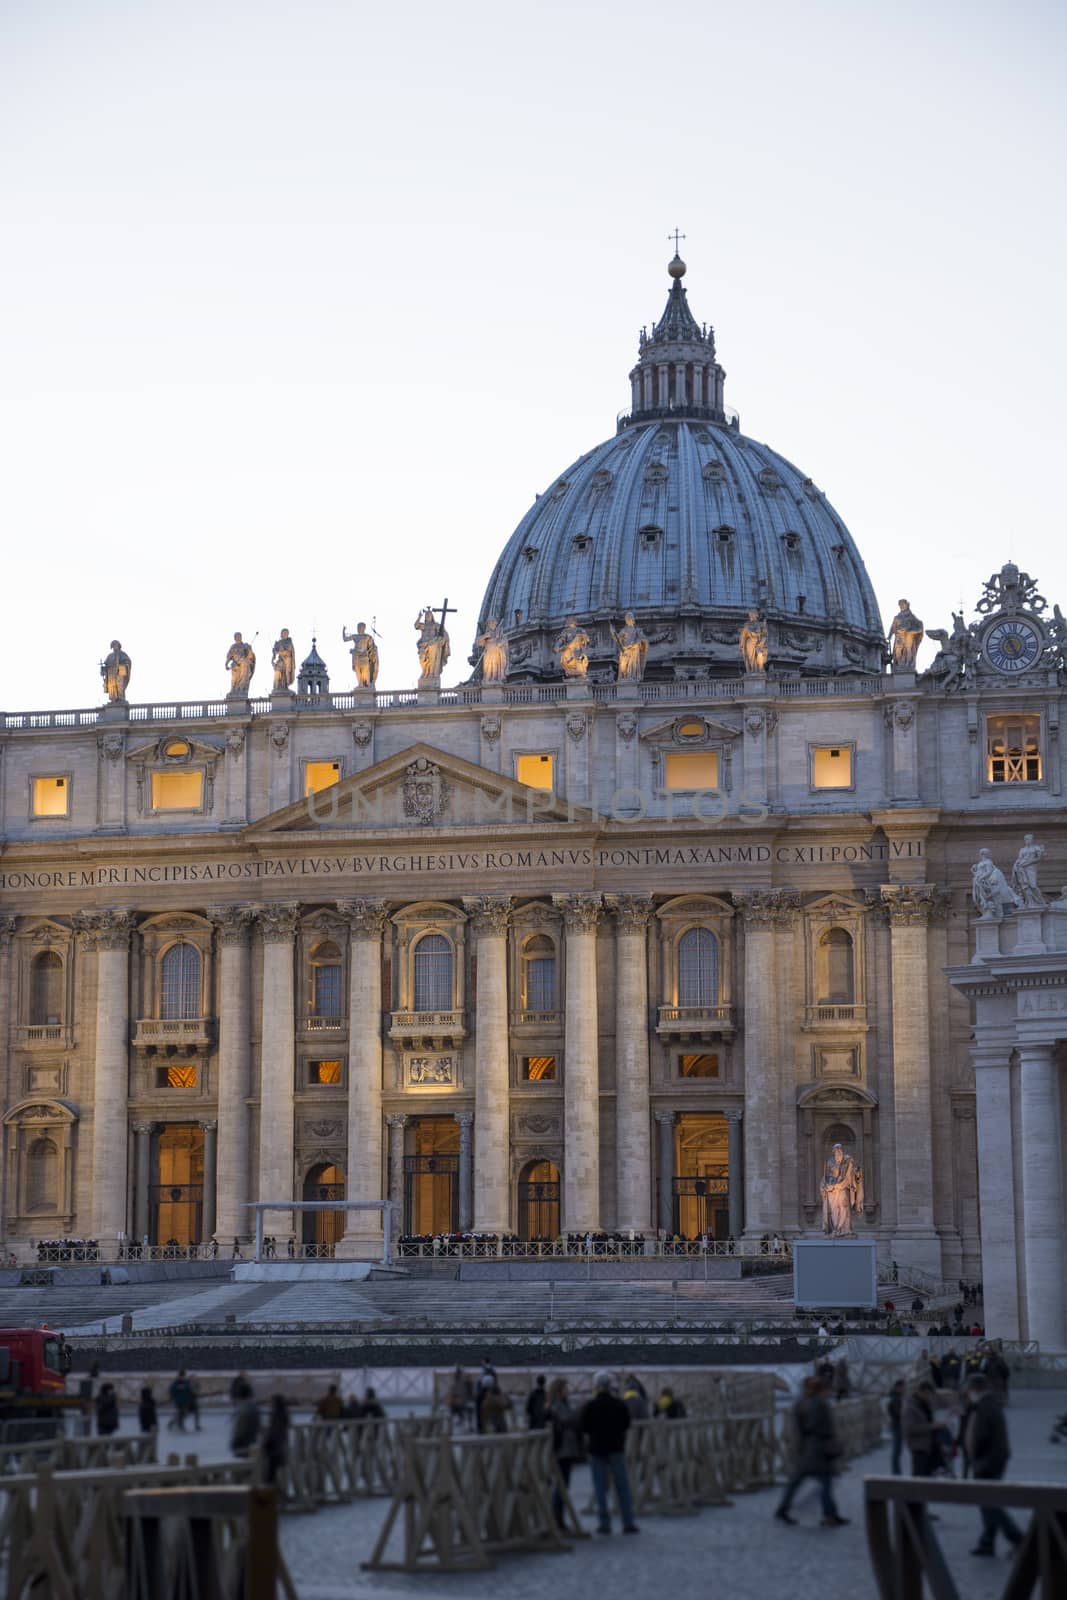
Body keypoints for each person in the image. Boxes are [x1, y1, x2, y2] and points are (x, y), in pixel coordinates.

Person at [774, 1376, 848, 1528]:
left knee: (797, 1482)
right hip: (817, 1450)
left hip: (807, 1450)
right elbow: (818, 1427)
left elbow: (798, 1428)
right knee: (825, 1483)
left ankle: (783, 1508)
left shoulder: (801, 1403)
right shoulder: (818, 1405)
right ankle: (830, 1515)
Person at [966, 1374, 1024, 1557]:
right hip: (996, 1458)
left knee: (989, 1503)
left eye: (969, 1390)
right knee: (987, 1502)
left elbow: (981, 1436)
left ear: (974, 1389)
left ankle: (1018, 1539)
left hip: (988, 1461)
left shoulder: (984, 1407)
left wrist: (974, 1457)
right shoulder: (991, 1404)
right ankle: (987, 1542)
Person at [580, 1371, 638, 1536]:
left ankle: (604, 1524)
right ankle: (628, 1522)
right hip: (616, 1448)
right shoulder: (619, 1404)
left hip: (597, 1449)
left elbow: (584, 1426)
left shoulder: (590, 1406)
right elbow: (627, 1424)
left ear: (597, 1386)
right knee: (622, 1487)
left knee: (600, 1488)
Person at [545, 1377, 582, 1529]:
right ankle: (557, 1518)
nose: (568, 1392)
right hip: (562, 1450)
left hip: (566, 1449)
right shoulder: (558, 1406)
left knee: (563, 1485)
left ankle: (558, 1518)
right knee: (561, 1485)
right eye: (566, 1389)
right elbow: (566, 1420)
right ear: (559, 1391)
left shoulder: (559, 1405)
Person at [903, 1380, 939, 1476]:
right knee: (919, 1477)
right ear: (921, 1392)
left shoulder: (924, 1404)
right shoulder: (910, 1407)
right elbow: (910, 1428)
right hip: (918, 1447)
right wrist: (932, 1426)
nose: (929, 1397)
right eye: (927, 1394)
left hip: (928, 1446)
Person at [262, 1395, 289, 1484]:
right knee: (273, 1474)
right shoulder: (284, 1416)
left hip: (274, 1449)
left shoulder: (275, 1416)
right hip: (280, 1448)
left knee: (270, 1475)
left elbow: (273, 1432)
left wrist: (265, 1443)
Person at [343, 621, 379, 687]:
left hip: (364, 656)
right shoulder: (355, 636)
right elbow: (345, 639)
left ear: (364, 628)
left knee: (366, 671)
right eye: (358, 627)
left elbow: (372, 647)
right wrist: (343, 631)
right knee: (357, 670)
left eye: (360, 627)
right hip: (357, 657)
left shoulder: (367, 637)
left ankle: (367, 684)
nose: (359, 628)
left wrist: (373, 652)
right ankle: (360, 684)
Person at [476, 618, 509, 683]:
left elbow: (504, 640)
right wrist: (485, 636)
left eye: (492, 623)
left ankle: (496, 679)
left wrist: (500, 643)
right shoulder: (486, 633)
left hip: (497, 652)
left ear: (495, 623)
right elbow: (477, 642)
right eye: (489, 623)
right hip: (488, 652)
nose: (490, 624)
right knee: (488, 668)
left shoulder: (500, 632)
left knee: (496, 667)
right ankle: (487, 680)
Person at [231, 1392, 260, 1457]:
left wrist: (235, 1442)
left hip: (243, 1443)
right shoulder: (254, 1407)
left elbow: (241, 1428)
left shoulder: (244, 1409)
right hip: (251, 1442)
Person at [887, 1379, 906, 1475]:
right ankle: (896, 1471)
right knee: (897, 1450)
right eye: (903, 1387)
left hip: (897, 1424)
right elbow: (896, 1412)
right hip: (897, 1425)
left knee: (897, 1450)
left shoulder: (896, 1397)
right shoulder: (895, 1398)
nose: (904, 1389)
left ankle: (896, 1470)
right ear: (898, 1387)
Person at [446, 1366, 473, 1431]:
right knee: (463, 1407)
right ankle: (465, 1422)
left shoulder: (455, 1384)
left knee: (457, 1407)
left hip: (458, 1403)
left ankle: (461, 1420)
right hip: (461, 1403)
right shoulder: (464, 1383)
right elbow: (469, 1393)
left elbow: (451, 1394)